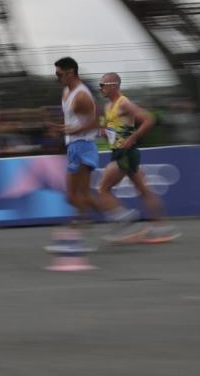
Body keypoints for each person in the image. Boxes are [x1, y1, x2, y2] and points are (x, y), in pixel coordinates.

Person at [96, 74, 179, 244]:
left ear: (113, 85)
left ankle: (126, 219)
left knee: (103, 189)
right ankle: (162, 228)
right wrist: (104, 133)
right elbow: (114, 130)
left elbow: (149, 119)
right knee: (144, 191)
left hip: (125, 153)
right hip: (121, 151)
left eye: (102, 84)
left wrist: (133, 137)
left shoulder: (124, 103)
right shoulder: (108, 106)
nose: (100, 88)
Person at [51, 57, 105, 246]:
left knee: (77, 196)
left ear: (71, 72)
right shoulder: (67, 91)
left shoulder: (81, 95)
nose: (56, 78)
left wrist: (72, 130)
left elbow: (97, 122)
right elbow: (75, 120)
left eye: (59, 74)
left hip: (83, 145)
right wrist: (64, 128)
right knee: (76, 196)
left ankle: (85, 230)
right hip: (74, 145)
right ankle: (118, 217)